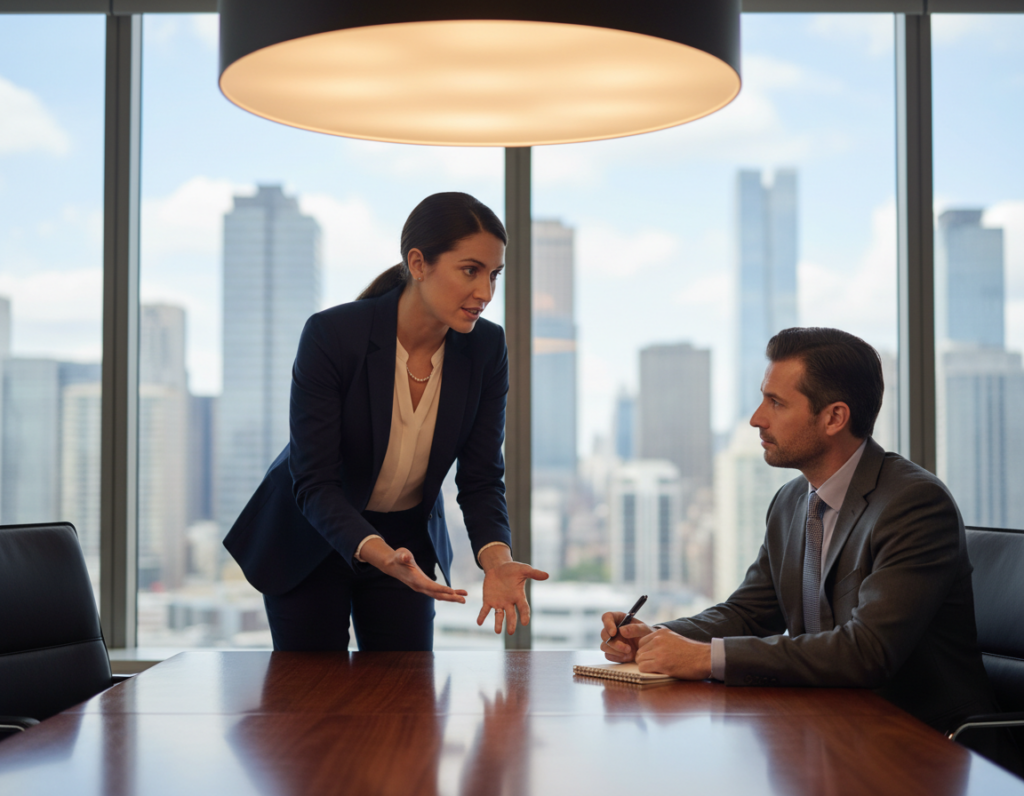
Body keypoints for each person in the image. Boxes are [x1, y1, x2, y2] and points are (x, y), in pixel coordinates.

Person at [600, 327, 1016, 763]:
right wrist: (657, 638)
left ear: (834, 417)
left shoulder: (913, 504)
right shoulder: (792, 501)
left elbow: (865, 652)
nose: (757, 418)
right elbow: (748, 612)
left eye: (776, 403)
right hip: (827, 734)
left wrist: (704, 659)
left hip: (922, 748)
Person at [224, 192, 547, 651]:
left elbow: (480, 478)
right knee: (312, 704)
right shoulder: (333, 335)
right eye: (470, 270)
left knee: (408, 701)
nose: (485, 293)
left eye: (494, 275)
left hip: (406, 540)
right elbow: (314, 482)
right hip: (311, 535)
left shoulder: (485, 349)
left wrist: (496, 560)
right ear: (418, 263)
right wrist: (378, 555)